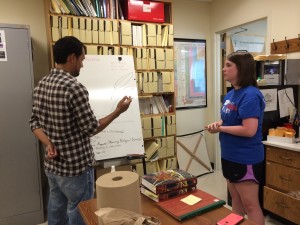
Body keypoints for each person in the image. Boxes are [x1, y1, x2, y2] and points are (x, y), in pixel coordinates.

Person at [29, 36, 132, 225]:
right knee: (80, 212)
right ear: (71, 58)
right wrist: (118, 111)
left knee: (56, 208)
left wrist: (49, 143)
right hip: (75, 168)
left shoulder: (41, 85)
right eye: (82, 59)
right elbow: (91, 127)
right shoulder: (74, 88)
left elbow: (34, 123)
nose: (82, 65)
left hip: (52, 166)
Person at [206, 52, 265, 225]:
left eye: (228, 65)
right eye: (224, 65)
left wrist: (221, 128)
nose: (224, 69)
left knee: (251, 205)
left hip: (246, 158)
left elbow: (249, 130)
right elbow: (229, 119)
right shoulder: (231, 94)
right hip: (229, 156)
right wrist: (218, 124)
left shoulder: (251, 95)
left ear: (242, 69)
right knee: (236, 200)